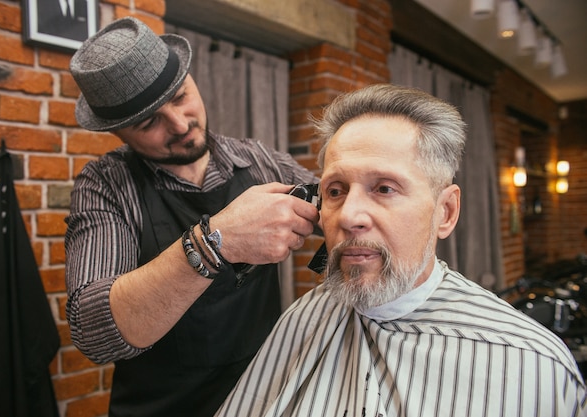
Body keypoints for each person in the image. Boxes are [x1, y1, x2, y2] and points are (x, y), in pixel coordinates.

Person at [215, 84, 587, 417]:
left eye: (384, 189)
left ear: (446, 212)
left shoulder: (529, 363)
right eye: (336, 191)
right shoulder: (303, 318)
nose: (349, 216)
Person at [64, 17, 319, 417]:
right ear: (118, 133)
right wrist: (215, 240)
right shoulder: (107, 184)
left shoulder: (258, 159)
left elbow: (336, 205)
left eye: (181, 97)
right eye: (149, 122)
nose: (181, 125)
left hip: (263, 398)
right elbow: (96, 332)